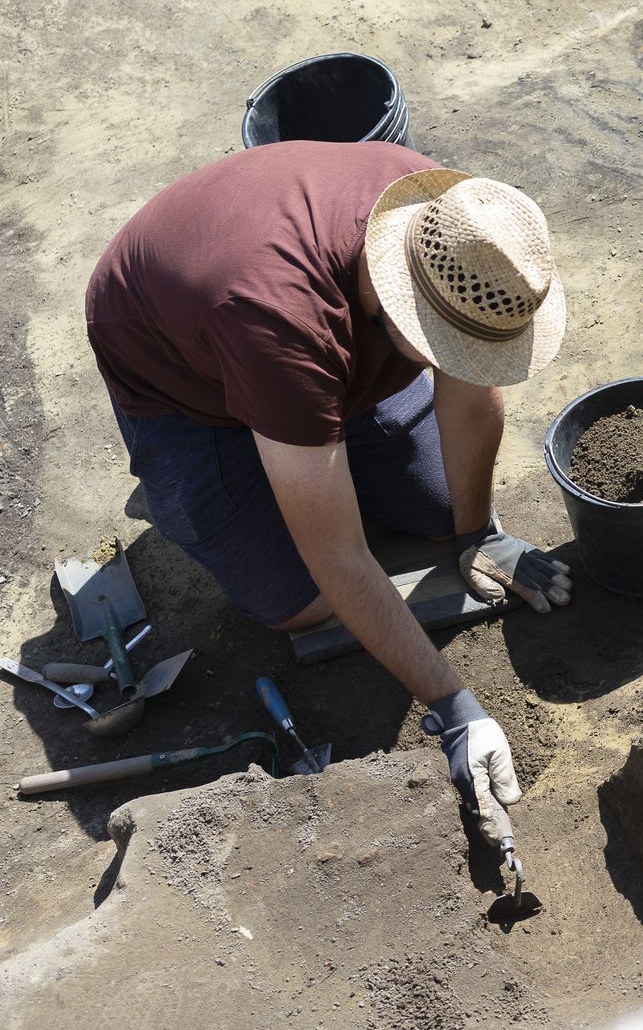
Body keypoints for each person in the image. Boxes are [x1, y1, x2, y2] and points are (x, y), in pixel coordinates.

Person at [83, 140, 570, 842]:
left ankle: (304, 447)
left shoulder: (458, 229)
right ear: (401, 313)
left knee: (438, 509)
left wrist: (477, 535)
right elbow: (338, 559)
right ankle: (227, 468)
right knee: (296, 603)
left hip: (299, 338)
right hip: (186, 386)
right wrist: (455, 706)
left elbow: (471, 396)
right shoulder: (279, 325)